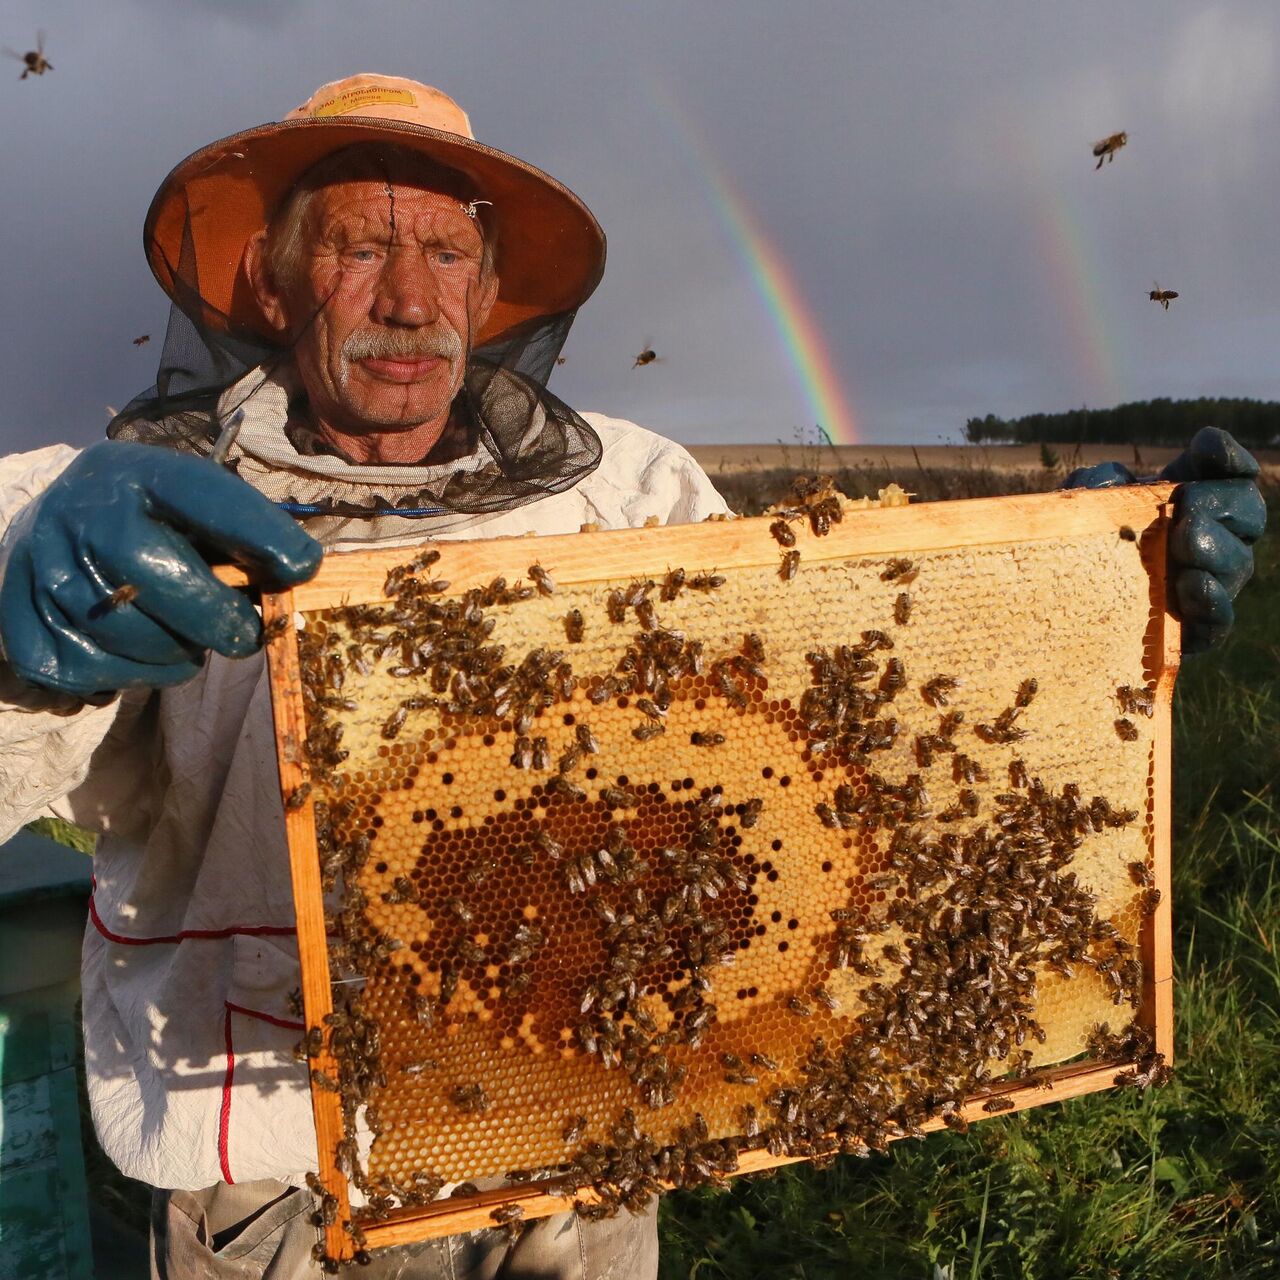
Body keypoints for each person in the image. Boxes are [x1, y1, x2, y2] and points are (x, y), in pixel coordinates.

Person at [0, 74, 1264, 1280]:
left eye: (446, 253)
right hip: (274, 1168)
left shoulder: (632, 491)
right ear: (273, 286)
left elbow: (823, 711)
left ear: (492, 292)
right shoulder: (125, 505)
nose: (406, 296)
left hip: (588, 1124)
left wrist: (1089, 601)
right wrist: (15, 637)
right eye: (354, 247)